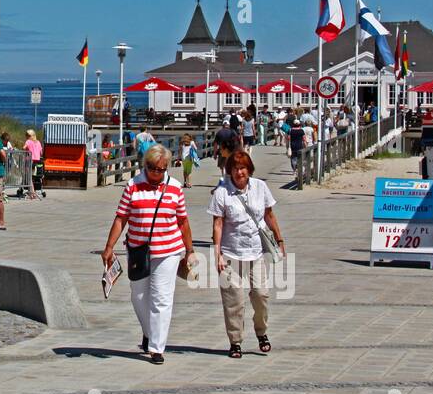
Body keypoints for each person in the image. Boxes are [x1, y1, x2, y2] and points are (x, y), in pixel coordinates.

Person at [100, 144, 196, 365]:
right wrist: (109, 247)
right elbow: (121, 217)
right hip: (138, 250)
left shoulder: (175, 187)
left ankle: (156, 348)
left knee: (162, 299)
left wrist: (189, 250)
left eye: (162, 169)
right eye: (153, 169)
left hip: (168, 250)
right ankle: (149, 331)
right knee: (139, 295)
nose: (157, 174)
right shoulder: (133, 185)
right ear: (146, 166)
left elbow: (182, 220)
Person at [209, 150, 285, 358]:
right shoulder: (222, 192)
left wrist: (279, 239)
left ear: (249, 169)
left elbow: (269, 215)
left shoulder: (260, 187)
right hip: (230, 252)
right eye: (235, 169)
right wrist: (217, 253)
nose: (239, 172)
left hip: (255, 251)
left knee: (261, 295)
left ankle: (261, 331)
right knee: (235, 300)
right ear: (230, 171)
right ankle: (235, 341)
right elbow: (217, 223)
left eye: (242, 168)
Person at [24, 128, 46, 198]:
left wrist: (27, 150)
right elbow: (41, 153)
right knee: (35, 177)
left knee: (29, 177)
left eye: (26, 136)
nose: (26, 137)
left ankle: (32, 192)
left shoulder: (28, 141)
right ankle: (34, 191)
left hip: (30, 161)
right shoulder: (38, 142)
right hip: (38, 162)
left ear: (29, 136)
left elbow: (23, 148)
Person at [288, 117, 306, 187]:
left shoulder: (290, 130)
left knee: (293, 158)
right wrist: (305, 146)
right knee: (300, 158)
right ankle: (298, 168)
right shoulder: (301, 131)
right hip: (299, 146)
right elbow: (304, 139)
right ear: (299, 124)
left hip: (293, 146)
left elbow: (288, 138)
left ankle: (294, 169)